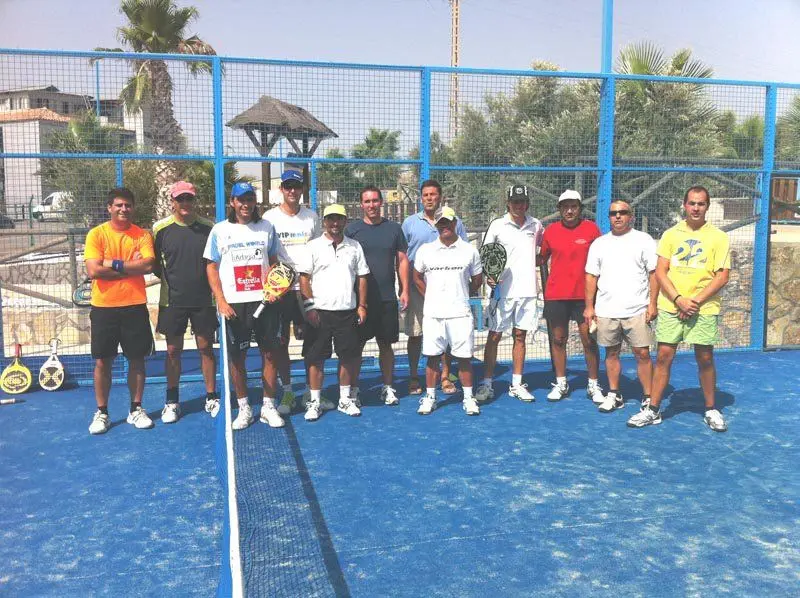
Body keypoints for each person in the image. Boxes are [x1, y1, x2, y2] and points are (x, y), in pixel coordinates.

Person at [627, 185, 731, 431]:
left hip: (703, 308)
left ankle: (711, 408)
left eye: (701, 204)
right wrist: (678, 299)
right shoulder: (671, 235)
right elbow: (661, 272)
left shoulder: (719, 237)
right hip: (672, 306)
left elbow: (722, 276)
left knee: (705, 357)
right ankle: (653, 409)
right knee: (664, 356)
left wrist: (694, 302)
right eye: (692, 203)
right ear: (685, 205)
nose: (696, 208)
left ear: (707, 207)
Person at [204, 181, 290, 431]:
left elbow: (273, 262)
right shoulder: (219, 230)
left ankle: (268, 406)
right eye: (241, 200)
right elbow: (211, 267)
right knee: (237, 358)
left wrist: (276, 290)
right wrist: (221, 300)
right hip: (234, 305)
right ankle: (244, 408)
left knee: (270, 354)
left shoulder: (266, 227)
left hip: (265, 302)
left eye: (250, 199)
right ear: (232, 202)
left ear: (255, 202)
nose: (245, 204)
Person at [85, 187, 156, 435]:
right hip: (103, 308)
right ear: (109, 208)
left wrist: (111, 263)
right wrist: (130, 267)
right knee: (103, 361)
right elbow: (93, 271)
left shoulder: (142, 235)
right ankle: (102, 412)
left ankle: (136, 409)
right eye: (119, 205)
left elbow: (148, 265)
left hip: (134, 306)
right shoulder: (96, 234)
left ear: (133, 208)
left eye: (127, 205)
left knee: (137, 359)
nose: (124, 209)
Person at [263, 170, 332, 415]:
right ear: (281, 189)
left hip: (306, 288)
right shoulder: (269, 218)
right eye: (288, 186)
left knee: (313, 340)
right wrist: (275, 284)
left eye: (297, 186)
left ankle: (312, 393)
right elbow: (268, 254)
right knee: (281, 344)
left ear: (303, 189)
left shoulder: (311, 217)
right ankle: (289, 391)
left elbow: (319, 249)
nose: (292, 191)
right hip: (281, 292)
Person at [153, 181, 219, 423]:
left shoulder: (209, 228)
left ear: (194, 200)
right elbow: (156, 266)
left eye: (189, 198)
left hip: (204, 300)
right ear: (172, 201)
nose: (185, 203)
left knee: (206, 348)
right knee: (173, 351)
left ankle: (211, 397)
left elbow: (215, 263)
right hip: (172, 301)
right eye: (180, 199)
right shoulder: (160, 229)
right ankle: (172, 401)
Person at [584, 200, 658, 413]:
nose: (618, 216)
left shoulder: (644, 240)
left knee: (642, 354)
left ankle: (648, 397)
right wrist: (589, 307)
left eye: (623, 212)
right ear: (609, 217)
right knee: (611, 353)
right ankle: (614, 394)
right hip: (606, 310)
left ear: (631, 216)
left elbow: (654, 274)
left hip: (637, 310)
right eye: (613, 213)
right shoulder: (599, 244)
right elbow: (591, 276)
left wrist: (652, 304)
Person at [298, 204, 370, 421]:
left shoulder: (355, 246)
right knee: (315, 359)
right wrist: (310, 307)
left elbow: (362, 277)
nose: (335, 223)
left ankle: (344, 400)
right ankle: (315, 401)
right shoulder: (312, 246)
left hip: (347, 312)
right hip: (319, 313)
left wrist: (362, 305)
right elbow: (304, 279)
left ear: (345, 221)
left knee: (347, 357)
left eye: (339, 219)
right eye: (331, 219)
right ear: (324, 222)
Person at [476, 184, 543, 403]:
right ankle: (487, 383)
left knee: (520, 336)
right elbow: (486, 255)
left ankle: (516, 384)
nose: (519, 206)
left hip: (528, 292)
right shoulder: (497, 225)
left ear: (528, 203)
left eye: (522, 202)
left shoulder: (536, 225)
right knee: (494, 336)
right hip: (501, 293)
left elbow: (541, 252)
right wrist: (489, 276)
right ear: (508, 203)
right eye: (515, 202)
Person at [413, 207, 483, 416]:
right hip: (433, 315)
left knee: (464, 358)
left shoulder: (469, 250)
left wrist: (462, 294)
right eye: (440, 223)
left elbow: (477, 279)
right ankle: (430, 398)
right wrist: (430, 295)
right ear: (436, 226)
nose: (444, 226)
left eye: (448, 222)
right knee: (432, 358)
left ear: (455, 223)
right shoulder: (425, 250)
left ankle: (468, 398)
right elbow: (416, 277)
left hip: (461, 314)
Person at [345, 185, 411, 406]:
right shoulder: (352, 231)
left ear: (381, 202)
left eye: (375, 201)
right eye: (367, 201)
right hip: (359, 302)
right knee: (356, 347)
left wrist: (405, 289)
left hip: (386, 298)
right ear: (361, 204)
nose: (371, 205)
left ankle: (388, 387)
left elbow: (402, 260)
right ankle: (354, 390)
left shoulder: (394, 229)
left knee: (386, 345)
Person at [402, 179, 468, 396]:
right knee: (416, 334)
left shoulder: (455, 222)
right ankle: (414, 376)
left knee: (445, 335)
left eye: (433, 194)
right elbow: (402, 258)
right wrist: (404, 287)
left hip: (447, 289)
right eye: (425, 195)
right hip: (417, 287)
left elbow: (465, 251)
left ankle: (445, 376)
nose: (429, 198)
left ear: (440, 197)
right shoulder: (409, 223)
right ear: (421, 198)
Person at [538, 189, 604, 403]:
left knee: (589, 340)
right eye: (565, 207)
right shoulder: (550, 231)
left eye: (573, 206)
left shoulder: (592, 229)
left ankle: (593, 384)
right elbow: (540, 258)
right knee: (558, 339)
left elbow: (603, 260)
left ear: (580, 208)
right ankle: (561, 383)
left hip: (585, 297)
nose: (569, 211)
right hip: (556, 295)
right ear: (559, 209)